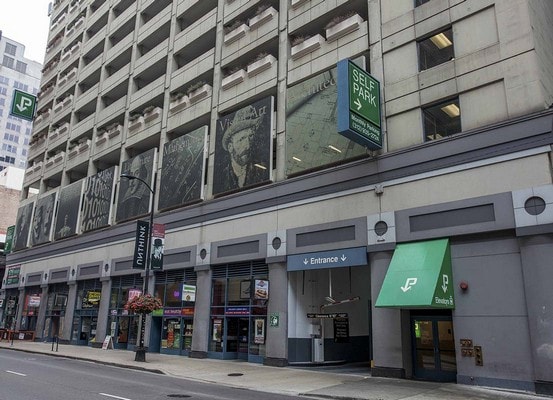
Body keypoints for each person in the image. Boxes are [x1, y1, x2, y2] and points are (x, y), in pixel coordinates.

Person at [216, 105, 269, 193]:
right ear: (230, 147)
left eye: (250, 137)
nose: (247, 146)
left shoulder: (262, 170)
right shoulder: (221, 178)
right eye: (241, 139)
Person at [118, 155, 149, 221]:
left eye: (137, 173)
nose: (131, 181)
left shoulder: (146, 202)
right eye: (131, 174)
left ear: (142, 176)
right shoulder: (122, 206)